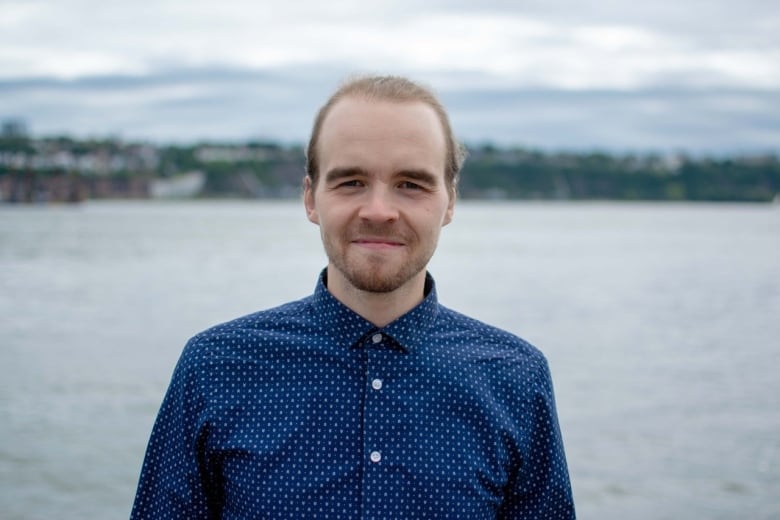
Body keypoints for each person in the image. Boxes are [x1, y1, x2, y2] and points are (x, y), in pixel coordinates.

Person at [130, 75, 575, 519]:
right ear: (310, 198)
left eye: (411, 184)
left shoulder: (515, 378)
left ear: (450, 202)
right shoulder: (215, 367)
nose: (379, 211)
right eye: (351, 182)